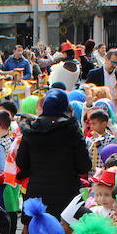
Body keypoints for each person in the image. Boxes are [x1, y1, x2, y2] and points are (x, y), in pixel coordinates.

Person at [15, 88, 91, 220]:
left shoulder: (31, 129)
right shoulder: (72, 130)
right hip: (66, 194)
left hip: (37, 195)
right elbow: (84, 165)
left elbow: (21, 161)